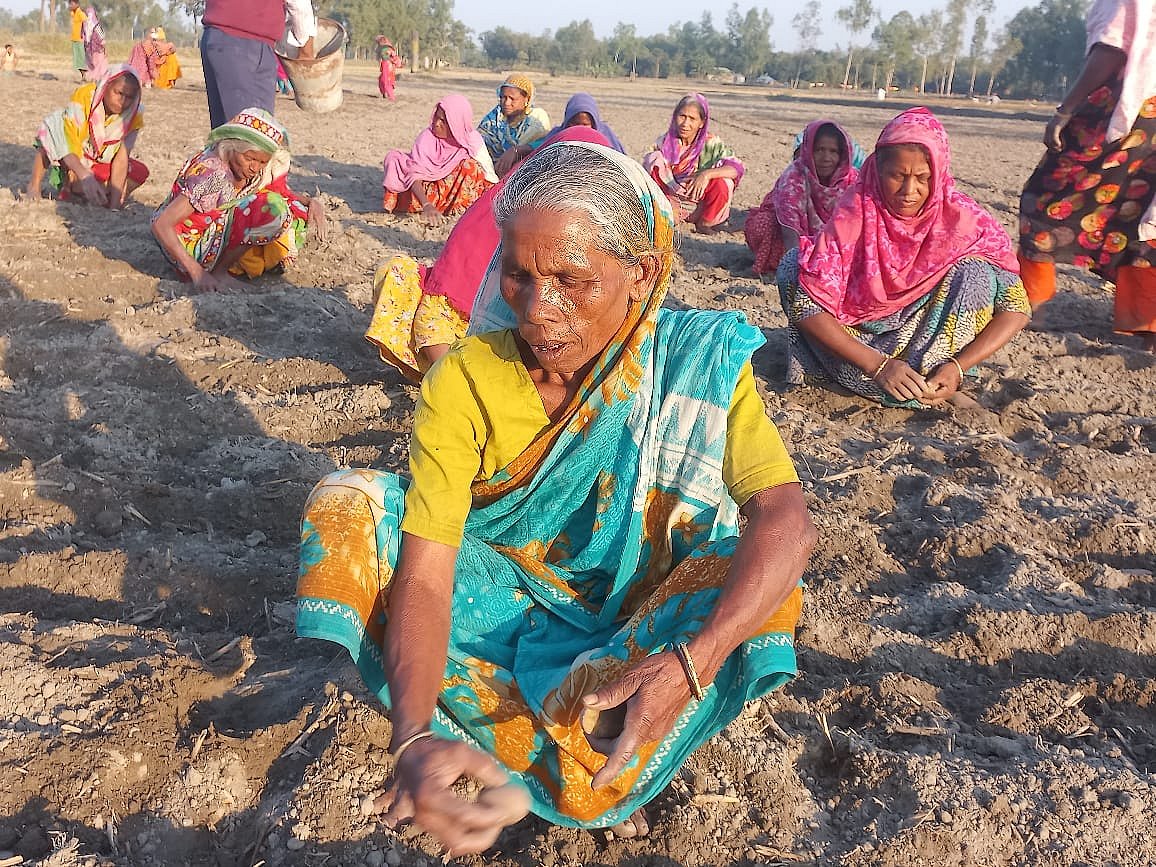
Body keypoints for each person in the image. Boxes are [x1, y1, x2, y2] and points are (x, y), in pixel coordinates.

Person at [297, 140, 814, 850]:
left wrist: (692, 662)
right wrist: (412, 737)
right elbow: (425, 570)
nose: (540, 310)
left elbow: (787, 517)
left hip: (641, 623)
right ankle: (504, 740)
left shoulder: (696, 362)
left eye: (572, 279)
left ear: (643, 273)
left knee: (759, 574)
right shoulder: (467, 380)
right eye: (517, 276)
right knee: (348, 505)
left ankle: (599, 726)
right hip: (495, 608)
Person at [777, 108, 1031, 408]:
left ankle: (932, 385)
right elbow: (806, 304)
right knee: (793, 268)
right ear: (877, 171)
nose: (910, 191)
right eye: (898, 176)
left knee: (977, 273)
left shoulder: (964, 221)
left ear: (938, 174)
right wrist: (878, 366)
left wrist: (957, 367)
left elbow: (1016, 308)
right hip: (859, 352)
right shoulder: (855, 213)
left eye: (923, 178)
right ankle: (895, 389)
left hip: (933, 354)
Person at [368, 126, 612, 382]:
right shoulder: (511, 207)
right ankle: (455, 385)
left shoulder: (582, 224)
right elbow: (446, 293)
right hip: (476, 329)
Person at [1017, 0, 1156, 351]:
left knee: (1045, 197)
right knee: (1142, 214)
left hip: (1128, 111)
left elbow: (1111, 50)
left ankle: (1031, 302)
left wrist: (1065, 110)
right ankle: (1144, 325)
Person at [150, 107, 327, 293]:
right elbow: (161, 224)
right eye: (250, 159)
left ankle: (221, 269)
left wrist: (309, 201)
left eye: (262, 163)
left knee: (291, 209)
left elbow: (272, 190)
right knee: (272, 211)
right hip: (187, 247)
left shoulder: (244, 169)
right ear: (233, 147)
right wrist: (197, 273)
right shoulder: (213, 175)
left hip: (211, 232)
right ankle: (218, 272)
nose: (255, 168)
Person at [745, 120, 861, 278]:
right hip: (795, 240)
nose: (826, 157)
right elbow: (790, 228)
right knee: (763, 224)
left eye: (833, 151)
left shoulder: (853, 181)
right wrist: (797, 266)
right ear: (808, 151)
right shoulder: (794, 177)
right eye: (819, 150)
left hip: (837, 243)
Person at [28, 65, 148, 208]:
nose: (123, 102)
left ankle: (99, 194)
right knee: (54, 127)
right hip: (72, 157)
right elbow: (68, 142)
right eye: (119, 93)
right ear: (106, 86)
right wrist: (84, 174)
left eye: (129, 97)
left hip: (97, 162)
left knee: (139, 172)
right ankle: (35, 185)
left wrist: (114, 207)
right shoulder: (85, 97)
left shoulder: (134, 114)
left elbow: (122, 159)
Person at [200, 0, 317, 130]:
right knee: (253, 136)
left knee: (226, 136)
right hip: (248, 42)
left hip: (216, 36)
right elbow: (298, 4)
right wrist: (306, 48)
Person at [382, 94, 497, 225]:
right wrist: (426, 205)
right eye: (436, 117)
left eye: (444, 121)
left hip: (454, 197)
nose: (436, 124)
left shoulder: (472, 141)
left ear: (456, 123)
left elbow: (489, 177)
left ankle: (456, 209)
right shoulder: (427, 137)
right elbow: (415, 172)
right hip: (424, 196)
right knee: (394, 159)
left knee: (471, 167)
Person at [643, 93, 744, 232]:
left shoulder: (711, 143)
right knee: (653, 160)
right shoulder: (664, 143)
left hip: (700, 203)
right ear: (675, 116)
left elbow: (735, 168)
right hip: (669, 203)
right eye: (682, 116)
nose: (686, 124)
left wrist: (706, 175)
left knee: (724, 182)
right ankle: (664, 214)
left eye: (692, 119)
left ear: (702, 123)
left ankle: (706, 222)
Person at [476, 73, 550, 177]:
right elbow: (477, 147)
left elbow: (544, 145)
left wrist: (516, 150)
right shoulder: (493, 120)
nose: (506, 102)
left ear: (526, 99)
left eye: (512, 98)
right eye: (503, 97)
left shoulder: (536, 119)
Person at [537, 93, 627, 154]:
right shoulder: (556, 136)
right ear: (567, 121)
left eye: (585, 124)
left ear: (594, 123)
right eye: (575, 123)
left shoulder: (606, 138)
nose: (580, 129)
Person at [82, 4, 107, 83]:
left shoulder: (84, 24)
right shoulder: (96, 25)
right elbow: (101, 36)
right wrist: (103, 44)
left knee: (91, 63)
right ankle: (97, 78)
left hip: (88, 48)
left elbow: (82, 35)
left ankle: (91, 78)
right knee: (100, 63)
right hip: (97, 48)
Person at [376, 36, 404, 101]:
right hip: (388, 66)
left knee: (386, 81)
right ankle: (385, 93)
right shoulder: (387, 48)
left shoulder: (386, 48)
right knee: (382, 80)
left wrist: (392, 60)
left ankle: (391, 96)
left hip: (387, 65)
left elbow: (391, 56)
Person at [68, 0, 87, 82]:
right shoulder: (73, 13)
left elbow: (86, 22)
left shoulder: (80, 13)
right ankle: (84, 76)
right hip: (74, 39)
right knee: (77, 61)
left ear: (77, 4)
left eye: (72, 4)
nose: (70, 5)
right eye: (70, 4)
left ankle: (86, 76)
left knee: (81, 60)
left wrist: (85, 34)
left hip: (80, 40)